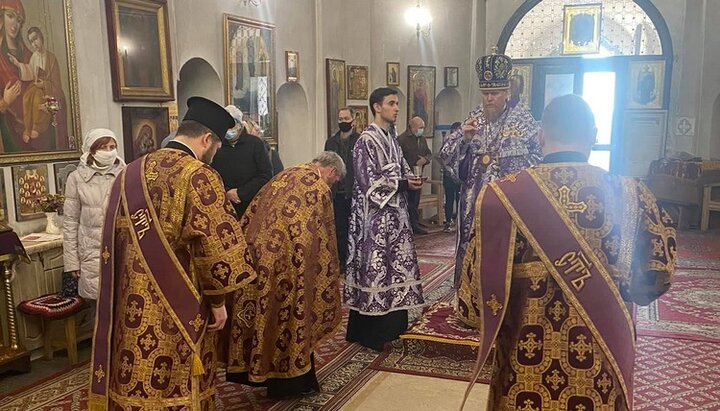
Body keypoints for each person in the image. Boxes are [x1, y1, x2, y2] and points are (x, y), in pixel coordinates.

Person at [457, 95, 677, 411]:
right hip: (601, 369)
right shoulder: (632, 195)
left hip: (522, 373)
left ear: (540, 136)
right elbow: (656, 280)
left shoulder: (498, 199)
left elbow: (472, 307)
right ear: (594, 136)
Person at [89, 97, 256, 410]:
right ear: (206, 139)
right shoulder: (198, 175)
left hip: (130, 299)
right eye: (217, 145)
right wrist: (218, 303)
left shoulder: (129, 173)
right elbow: (215, 249)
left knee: (135, 368)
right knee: (177, 371)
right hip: (181, 302)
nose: (217, 151)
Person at [225, 151, 345, 399]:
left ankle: (260, 371)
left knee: (266, 314)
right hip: (290, 265)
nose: (331, 185)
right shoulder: (318, 188)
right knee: (291, 317)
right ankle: (290, 382)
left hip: (259, 257)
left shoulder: (283, 175)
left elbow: (252, 212)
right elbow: (323, 237)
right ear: (331, 171)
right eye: (334, 181)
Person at [439, 49, 541, 288]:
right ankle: (469, 295)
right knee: (473, 251)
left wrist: (507, 166)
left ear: (507, 93)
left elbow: (539, 160)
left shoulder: (524, 121)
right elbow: (446, 156)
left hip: (510, 204)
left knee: (505, 254)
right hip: (474, 204)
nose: (489, 99)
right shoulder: (473, 119)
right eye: (485, 94)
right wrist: (463, 141)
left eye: (494, 93)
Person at [344, 87, 425, 351]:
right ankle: (372, 332)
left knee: (394, 269)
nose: (396, 108)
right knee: (376, 269)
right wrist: (402, 183)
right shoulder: (365, 141)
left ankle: (393, 326)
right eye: (391, 103)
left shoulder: (391, 139)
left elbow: (403, 169)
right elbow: (368, 182)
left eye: (397, 103)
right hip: (374, 221)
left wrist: (411, 179)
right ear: (377, 107)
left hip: (396, 218)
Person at [62, 128, 125, 302]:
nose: (109, 151)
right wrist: (72, 263)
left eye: (112, 147)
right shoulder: (76, 178)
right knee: (98, 308)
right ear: (92, 150)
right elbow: (70, 223)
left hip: (121, 250)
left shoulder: (126, 174)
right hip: (91, 254)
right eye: (103, 147)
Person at [211, 105, 272, 218]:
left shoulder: (255, 144)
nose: (228, 129)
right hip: (224, 205)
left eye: (231, 125)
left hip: (252, 205)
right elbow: (212, 174)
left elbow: (265, 174)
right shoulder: (217, 146)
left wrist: (241, 193)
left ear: (240, 125)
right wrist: (227, 192)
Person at [8, 27, 63, 144]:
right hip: (36, 85)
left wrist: (44, 84)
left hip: (47, 89)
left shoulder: (51, 58)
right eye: (31, 41)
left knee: (38, 97)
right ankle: (27, 129)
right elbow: (30, 71)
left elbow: (56, 83)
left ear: (41, 37)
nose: (34, 43)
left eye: (35, 39)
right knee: (26, 97)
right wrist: (18, 64)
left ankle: (37, 127)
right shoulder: (34, 56)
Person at [325, 107, 360, 271]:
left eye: (346, 118)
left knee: (355, 229)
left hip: (354, 192)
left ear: (353, 121)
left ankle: (355, 261)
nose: (343, 122)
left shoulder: (360, 140)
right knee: (339, 229)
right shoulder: (331, 142)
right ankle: (341, 262)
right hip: (337, 193)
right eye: (340, 119)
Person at [397, 115, 432, 234]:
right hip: (406, 177)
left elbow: (429, 154)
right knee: (408, 203)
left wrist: (425, 160)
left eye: (423, 127)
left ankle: (415, 225)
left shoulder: (422, 139)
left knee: (415, 201)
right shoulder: (401, 140)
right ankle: (408, 226)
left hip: (418, 175)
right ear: (412, 127)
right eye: (420, 127)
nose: (422, 130)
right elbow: (398, 159)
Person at [440, 122, 462, 232]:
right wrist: (448, 169)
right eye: (456, 130)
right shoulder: (448, 141)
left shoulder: (463, 142)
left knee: (460, 199)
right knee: (449, 199)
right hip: (448, 175)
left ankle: (458, 221)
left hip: (460, 176)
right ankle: (448, 222)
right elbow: (442, 156)